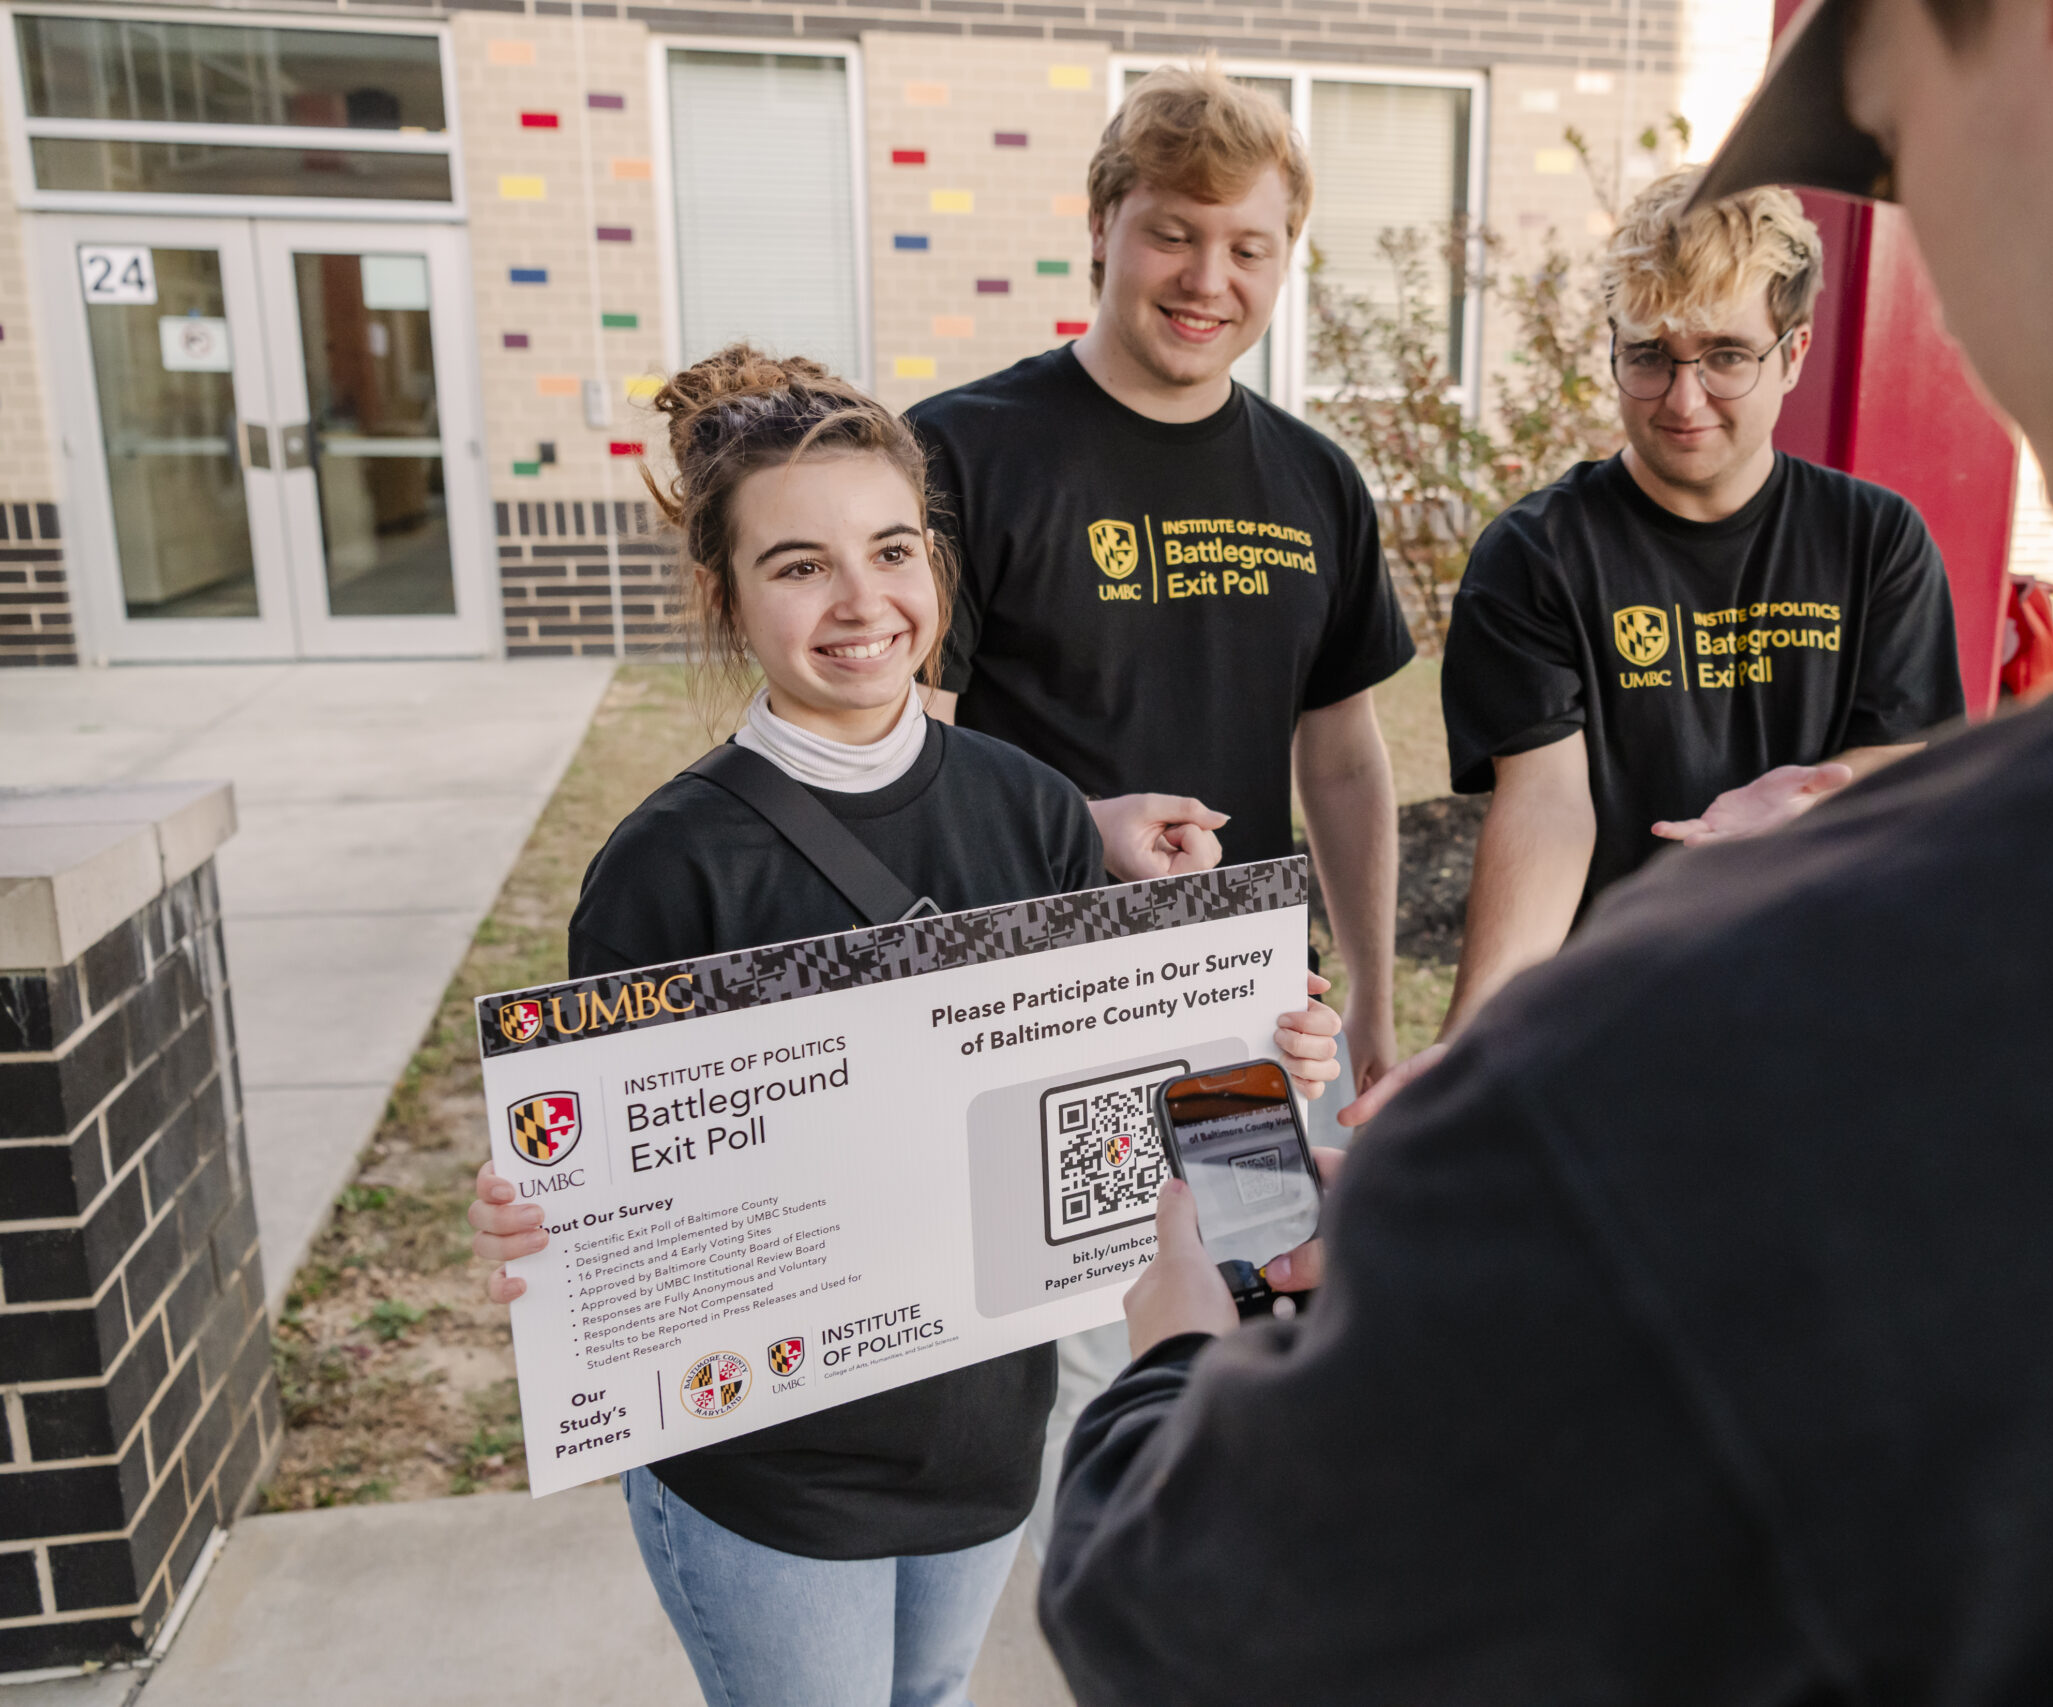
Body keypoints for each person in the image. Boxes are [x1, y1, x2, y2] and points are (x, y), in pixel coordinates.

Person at [1034, 0, 2053, 1699]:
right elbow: (1554, 803)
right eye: (1646, 356)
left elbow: (1191, 1615)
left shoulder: (1729, 1062)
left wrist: (1177, 1349)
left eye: (1894, 147)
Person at [462, 346, 1339, 1707]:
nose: (862, 600)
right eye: (799, 563)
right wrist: (543, 1220)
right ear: (725, 597)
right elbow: (595, 1173)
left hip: (986, 1427)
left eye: (891, 548)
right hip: (773, 1460)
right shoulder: (670, 865)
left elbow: (1102, 1091)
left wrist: (1256, 1075)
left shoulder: (1033, 806)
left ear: (935, 563)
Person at [907, 63, 1413, 1095]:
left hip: (1252, 1010)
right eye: (1173, 233)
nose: (1205, 279)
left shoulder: (1317, 479)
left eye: (1246, 248)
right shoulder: (960, 455)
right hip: (1021, 1002)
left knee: (1246, 1259)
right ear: (1101, 226)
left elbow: (1345, 762)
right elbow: (913, 757)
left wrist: (1371, 989)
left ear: (1284, 262)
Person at [1435, 174, 1964, 1036]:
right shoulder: (1537, 555)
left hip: (1820, 1004)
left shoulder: (1875, 540)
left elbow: (1898, 766)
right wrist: (1474, 1041)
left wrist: (1812, 807)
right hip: (1609, 1014)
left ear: (1792, 354)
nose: (1683, 399)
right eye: (1650, 354)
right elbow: (1547, 807)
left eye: (1725, 354)